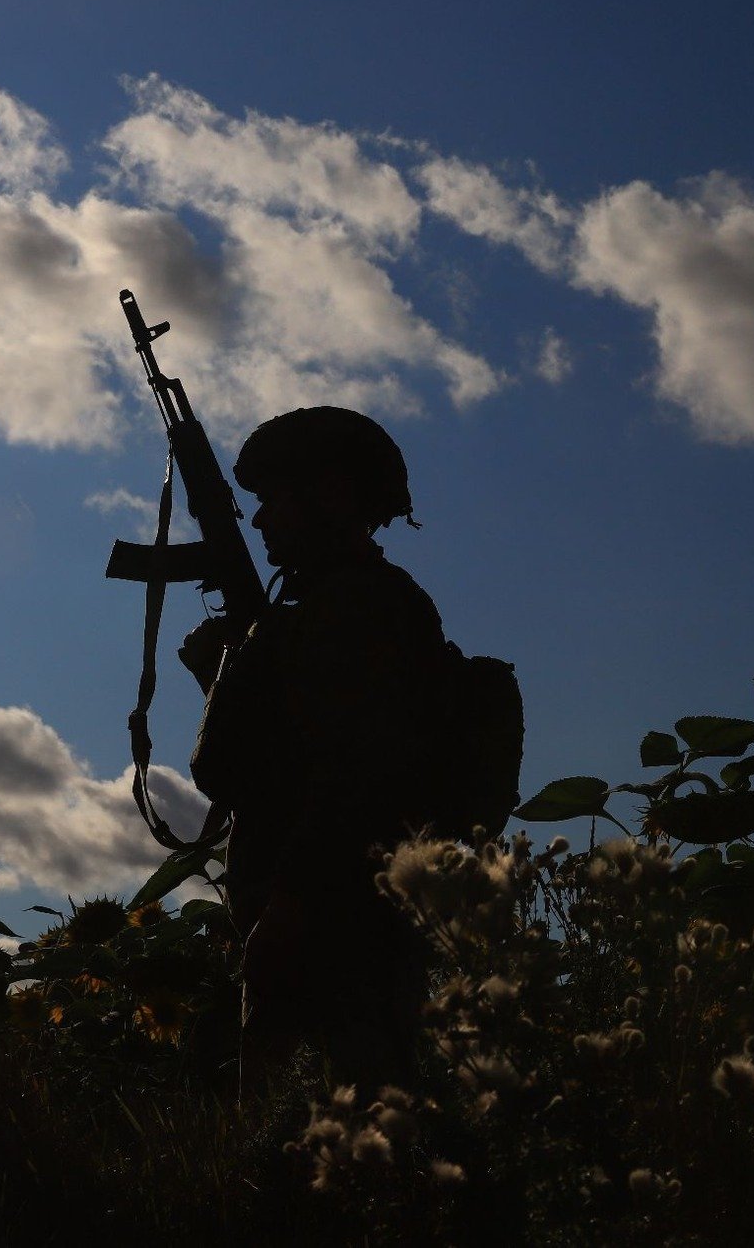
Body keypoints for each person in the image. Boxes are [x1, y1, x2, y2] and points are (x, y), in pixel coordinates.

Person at [179, 406, 449, 1105]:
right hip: (302, 917)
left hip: (331, 926)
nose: (261, 520)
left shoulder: (361, 609)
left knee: (344, 1144)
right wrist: (225, 677)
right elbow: (262, 764)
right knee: (288, 1147)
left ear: (330, 494)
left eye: (274, 499)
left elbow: (355, 779)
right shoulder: (315, 615)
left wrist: (290, 908)